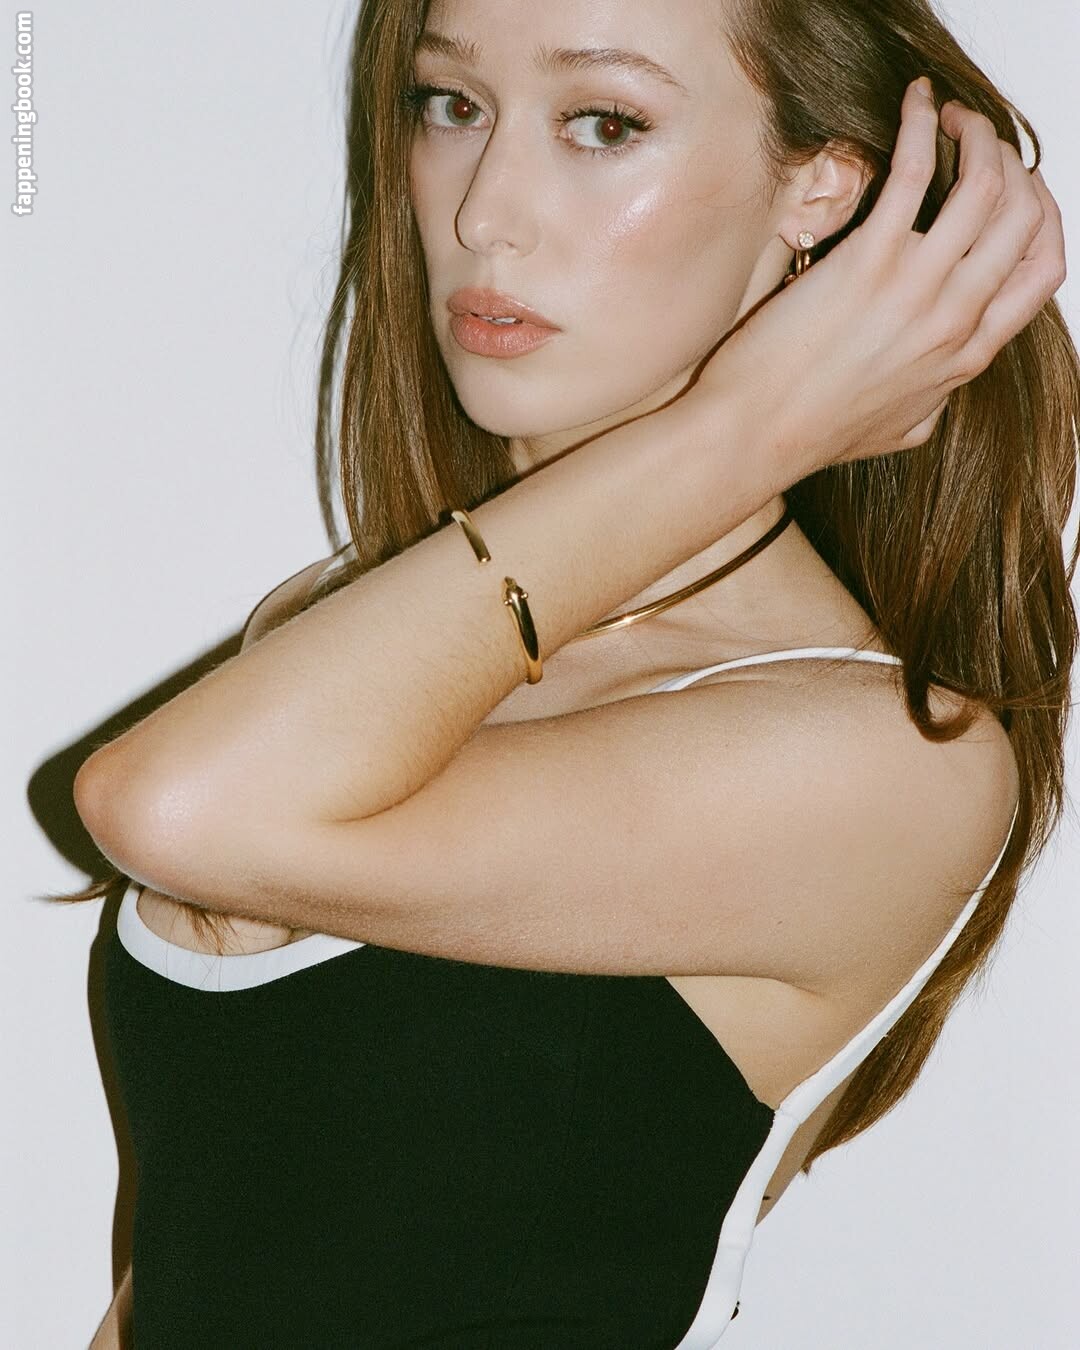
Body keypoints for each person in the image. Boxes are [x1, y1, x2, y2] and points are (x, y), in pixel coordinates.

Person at [66, 1, 1074, 1345]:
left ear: (822, 192)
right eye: (451, 106)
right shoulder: (346, 618)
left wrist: (744, 432)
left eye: (604, 123)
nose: (484, 212)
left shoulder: (890, 758)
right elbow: (195, 1262)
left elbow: (170, 807)